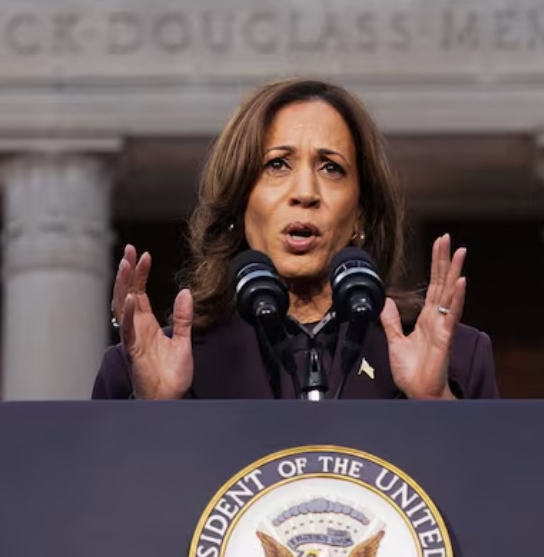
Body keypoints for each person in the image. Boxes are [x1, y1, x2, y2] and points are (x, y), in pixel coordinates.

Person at [92, 77, 498, 400]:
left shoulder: (455, 358)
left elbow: (496, 500)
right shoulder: (149, 367)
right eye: (277, 164)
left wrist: (434, 404)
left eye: (331, 168)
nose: (305, 192)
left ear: (360, 212)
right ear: (240, 201)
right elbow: (103, 499)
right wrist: (154, 414)